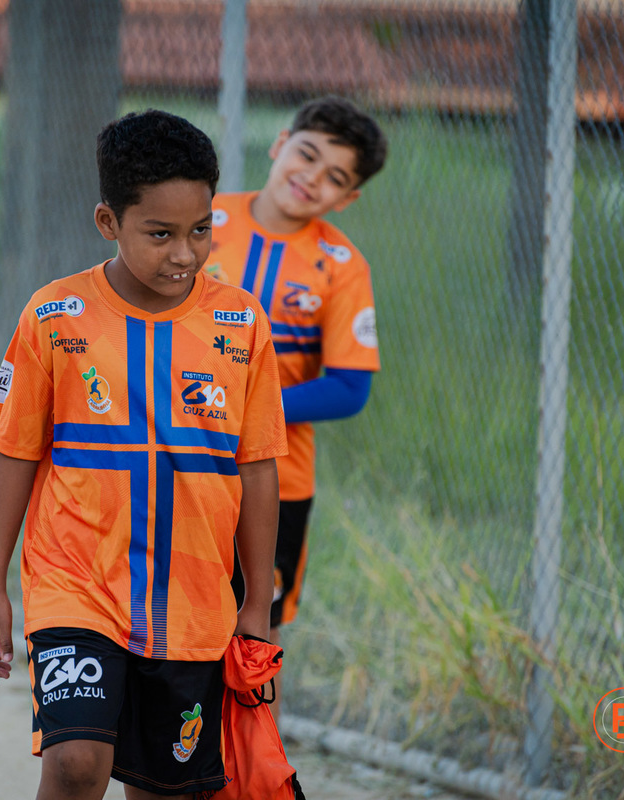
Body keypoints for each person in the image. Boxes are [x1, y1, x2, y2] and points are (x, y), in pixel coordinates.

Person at [0, 109, 288, 800]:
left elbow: (259, 470)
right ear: (108, 222)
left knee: (165, 789)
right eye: (161, 233)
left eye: (201, 229)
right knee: (75, 763)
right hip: (75, 583)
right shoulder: (53, 316)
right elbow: (13, 453)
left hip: (194, 604)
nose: (185, 253)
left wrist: (256, 604)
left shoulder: (241, 324)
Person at [212, 96, 387, 716]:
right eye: (306, 154)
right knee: (162, 612)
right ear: (279, 142)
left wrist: (250, 409)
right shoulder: (203, 220)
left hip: (276, 481)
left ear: (348, 198)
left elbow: (349, 387)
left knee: (255, 630)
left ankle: (257, 762)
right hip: (171, 462)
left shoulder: (342, 267)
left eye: (334, 176)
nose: (311, 177)